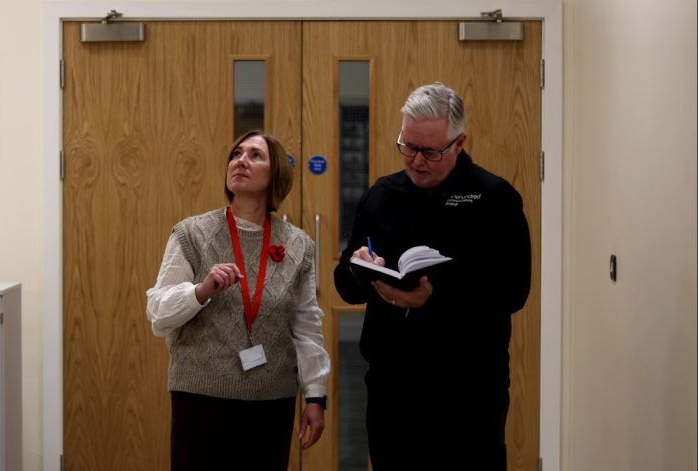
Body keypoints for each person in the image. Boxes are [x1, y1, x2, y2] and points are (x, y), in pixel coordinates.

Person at [333, 83, 531, 470]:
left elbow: (513, 291)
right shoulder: (381, 195)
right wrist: (359, 267)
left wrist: (433, 298)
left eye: (431, 151)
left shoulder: (495, 198)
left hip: (469, 390)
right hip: (393, 387)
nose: (417, 161)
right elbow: (346, 285)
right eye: (408, 146)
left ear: (460, 143)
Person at [146, 130, 331, 470]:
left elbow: (307, 326)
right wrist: (201, 291)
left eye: (255, 155)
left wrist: (315, 395)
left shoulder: (299, 245)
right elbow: (157, 313)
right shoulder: (192, 233)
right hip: (201, 395)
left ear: (275, 175)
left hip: (271, 398)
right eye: (236, 154)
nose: (241, 160)